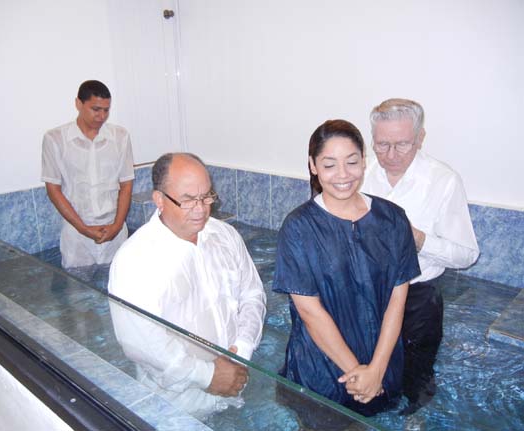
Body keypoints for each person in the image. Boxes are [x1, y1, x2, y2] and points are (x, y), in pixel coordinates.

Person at [273, 119, 420, 419]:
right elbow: (310, 313)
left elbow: (397, 299)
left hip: (381, 367)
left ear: (364, 162)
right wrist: (357, 374)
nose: (343, 175)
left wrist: (377, 370)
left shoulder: (392, 219)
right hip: (323, 372)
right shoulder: (299, 227)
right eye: (329, 164)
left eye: (352, 162)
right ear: (313, 166)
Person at [108, 152, 266, 418]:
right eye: (188, 200)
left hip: (236, 383)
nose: (202, 208)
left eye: (206, 196)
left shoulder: (224, 235)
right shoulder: (135, 259)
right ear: (159, 199)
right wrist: (208, 376)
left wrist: (242, 348)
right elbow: (142, 342)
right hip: (178, 405)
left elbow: (252, 294)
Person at [361, 98, 480, 414]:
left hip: (419, 296)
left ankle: (416, 416)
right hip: (369, 291)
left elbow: (467, 255)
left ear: (420, 137)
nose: (390, 155)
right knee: (371, 365)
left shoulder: (443, 181)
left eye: (402, 145)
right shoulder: (362, 174)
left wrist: (418, 239)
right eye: (381, 145)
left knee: (417, 375)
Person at [41, 80, 134, 268]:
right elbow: (53, 189)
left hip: (114, 231)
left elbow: (126, 184)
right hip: (76, 234)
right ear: (78, 104)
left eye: (106, 110)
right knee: (79, 293)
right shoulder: (55, 139)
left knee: (120, 289)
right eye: (96, 109)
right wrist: (83, 228)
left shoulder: (120, 137)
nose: (101, 116)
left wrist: (116, 226)